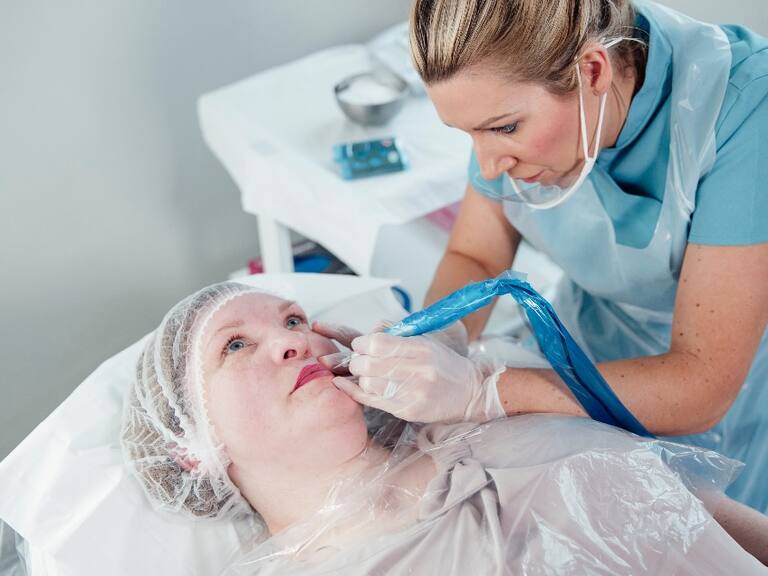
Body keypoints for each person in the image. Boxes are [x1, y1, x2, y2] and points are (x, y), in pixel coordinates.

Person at [320, 0, 768, 514]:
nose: (489, 169)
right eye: (470, 135)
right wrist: (430, 340)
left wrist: (483, 391)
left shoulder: (748, 113)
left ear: (593, 70)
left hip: (721, 396)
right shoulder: (511, 84)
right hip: (580, 347)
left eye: (504, 128)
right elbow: (477, 256)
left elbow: (701, 384)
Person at [122, 282, 768, 573]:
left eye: (294, 321)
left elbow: (714, 518)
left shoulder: (487, 412)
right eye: (235, 347)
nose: (292, 343)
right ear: (189, 449)